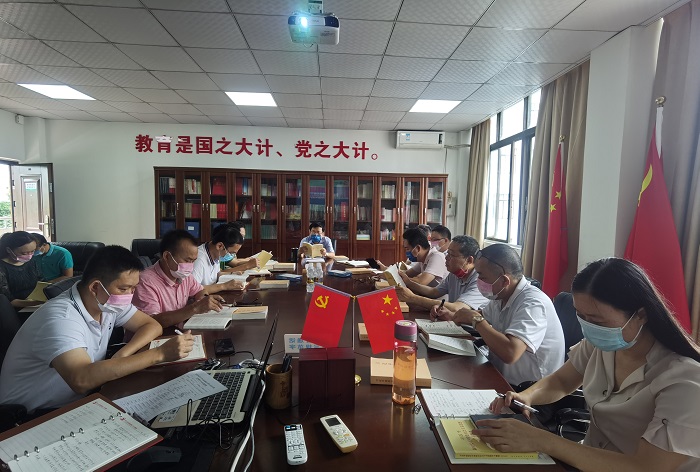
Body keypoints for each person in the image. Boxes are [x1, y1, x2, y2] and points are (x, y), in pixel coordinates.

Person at [474, 258, 700, 471]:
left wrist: (543, 440)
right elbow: (561, 382)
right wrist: (527, 396)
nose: (589, 328)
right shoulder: (601, 344)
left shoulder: (685, 381)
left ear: (641, 314)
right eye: (581, 316)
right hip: (587, 460)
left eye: (597, 320)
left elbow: (644, 467)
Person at [0, 245, 194, 413]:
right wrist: (159, 354)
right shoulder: (61, 319)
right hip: (32, 416)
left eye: (133, 288)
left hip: (81, 399)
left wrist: (122, 355)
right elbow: (81, 379)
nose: (129, 295)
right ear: (95, 287)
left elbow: (151, 325)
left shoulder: (107, 302)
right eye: (124, 289)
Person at [441, 243, 564, 385]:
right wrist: (452, 315)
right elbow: (482, 315)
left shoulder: (533, 303)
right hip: (498, 374)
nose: (478, 281)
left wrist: (476, 320)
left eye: (482, 276)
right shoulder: (501, 295)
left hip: (527, 389)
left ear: (504, 280)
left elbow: (511, 352)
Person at [132, 229, 224, 331]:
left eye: (193, 261)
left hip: (179, 331)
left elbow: (199, 291)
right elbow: (152, 322)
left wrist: (204, 299)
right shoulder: (145, 282)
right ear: (167, 256)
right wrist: (195, 308)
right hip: (157, 337)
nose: (191, 266)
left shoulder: (184, 275)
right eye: (187, 260)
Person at [396, 235, 487, 313]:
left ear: (469, 260)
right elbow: (434, 292)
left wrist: (412, 298)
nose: (446, 257)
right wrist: (409, 283)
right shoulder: (455, 273)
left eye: (452, 255)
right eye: (448, 253)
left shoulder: (481, 280)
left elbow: (457, 308)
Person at [192, 225, 245, 294]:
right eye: (231, 253)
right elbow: (193, 289)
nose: (232, 256)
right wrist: (224, 286)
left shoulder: (216, 254)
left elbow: (216, 274)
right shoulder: (198, 260)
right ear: (219, 246)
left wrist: (233, 273)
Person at [0, 231, 43, 308]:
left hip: (35, 303)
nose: (29, 255)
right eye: (24, 253)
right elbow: (7, 300)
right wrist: (34, 303)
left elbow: (40, 281)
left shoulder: (31, 262)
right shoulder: (2, 268)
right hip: (13, 308)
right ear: (9, 250)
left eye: (32, 251)